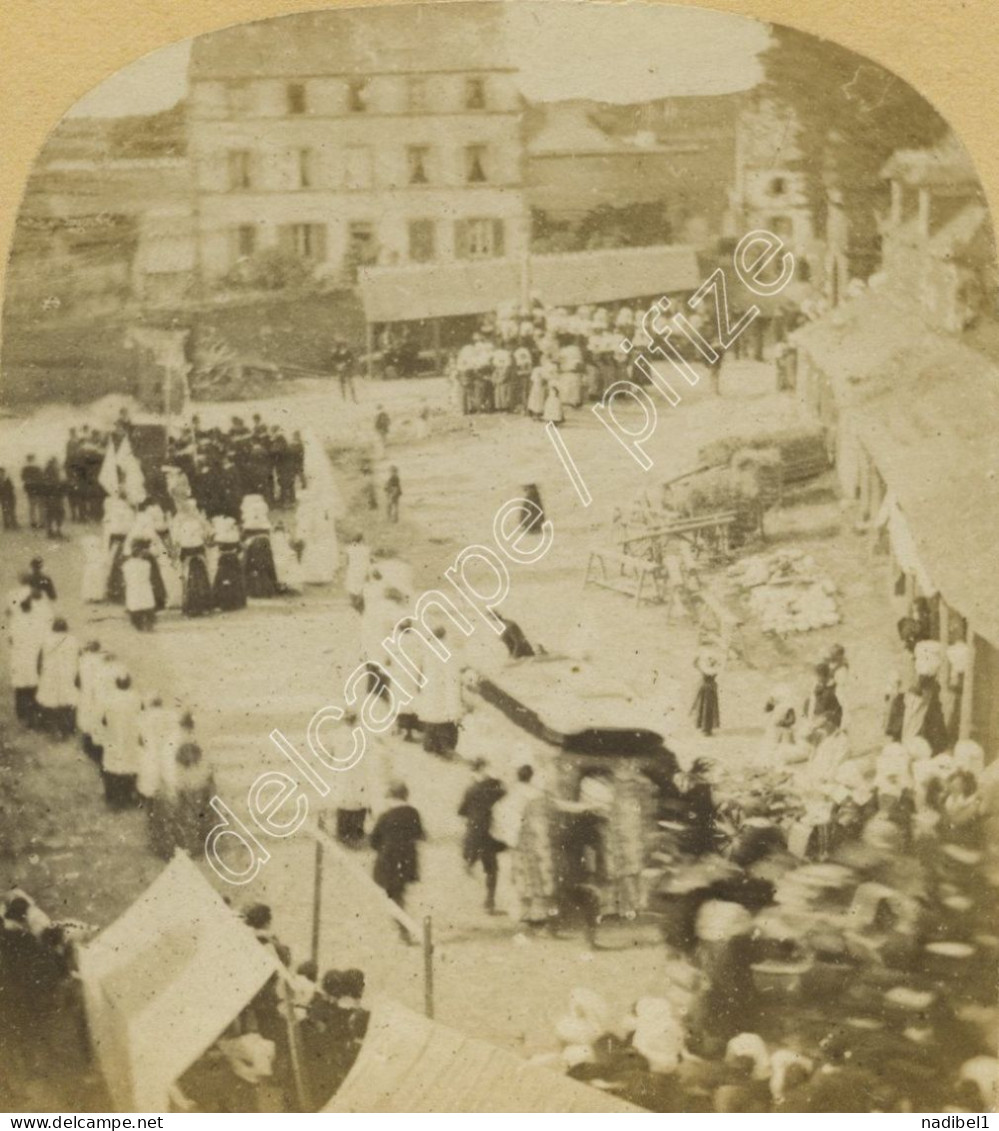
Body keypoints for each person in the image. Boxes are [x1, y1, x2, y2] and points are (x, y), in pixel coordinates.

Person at [370, 782, 425, 941]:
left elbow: (374, 841)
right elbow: (419, 834)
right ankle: (402, 926)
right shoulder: (413, 813)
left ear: (392, 797)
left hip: (388, 861)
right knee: (399, 892)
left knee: (393, 895)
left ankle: (403, 928)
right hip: (407, 860)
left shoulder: (385, 816)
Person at [458, 760, 507, 913]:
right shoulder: (493, 789)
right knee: (492, 868)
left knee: (474, 854)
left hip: (474, 829)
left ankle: (470, 862)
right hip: (488, 831)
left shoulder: (471, 789)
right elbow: (504, 791)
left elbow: (461, 810)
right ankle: (489, 902)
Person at [100, 670, 142, 809]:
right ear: (129, 683)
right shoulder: (136, 697)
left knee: (113, 767)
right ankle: (128, 797)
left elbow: (104, 720)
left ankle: (113, 799)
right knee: (129, 767)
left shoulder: (110, 698)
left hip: (114, 737)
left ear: (116, 683)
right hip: (129, 738)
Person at [35, 618, 79, 739]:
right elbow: (78, 659)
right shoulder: (72, 640)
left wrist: (40, 673)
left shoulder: (46, 640)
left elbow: (39, 660)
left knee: (50, 701)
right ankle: (67, 729)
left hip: (50, 675)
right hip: (67, 674)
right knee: (67, 702)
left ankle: (51, 728)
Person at [7, 586, 43, 727]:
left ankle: (22, 713)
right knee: (32, 685)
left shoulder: (16, 620)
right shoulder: (36, 620)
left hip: (19, 656)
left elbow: (10, 640)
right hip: (31, 656)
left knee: (21, 686)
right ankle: (31, 714)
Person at [122, 539, 163, 631]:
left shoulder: (126, 565)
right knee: (147, 604)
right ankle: (149, 624)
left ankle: (138, 624)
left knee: (135, 605)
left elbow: (126, 578)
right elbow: (148, 576)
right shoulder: (146, 564)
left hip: (132, 588)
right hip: (144, 587)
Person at [691, 647, 721, 737]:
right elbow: (696, 665)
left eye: (712, 660)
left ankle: (708, 729)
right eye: (709, 659)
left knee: (709, 709)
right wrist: (696, 659)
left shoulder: (714, 669)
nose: (710, 661)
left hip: (710, 689)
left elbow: (709, 671)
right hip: (705, 689)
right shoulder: (706, 668)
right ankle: (705, 729)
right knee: (704, 708)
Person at [21, 455, 43, 529]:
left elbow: (23, 478)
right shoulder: (38, 468)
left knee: (32, 507)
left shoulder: (25, 469)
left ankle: (33, 522)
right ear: (33, 459)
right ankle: (41, 522)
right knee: (40, 506)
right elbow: (41, 478)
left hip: (30, 490)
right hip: (38, 490)